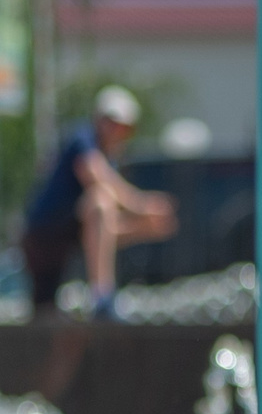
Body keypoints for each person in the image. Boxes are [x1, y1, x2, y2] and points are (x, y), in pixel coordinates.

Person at [20, 84, 177, 319]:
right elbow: (95, 176)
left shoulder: (109, 157)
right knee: (101, 200)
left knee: (54, 325)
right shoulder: (82, 138)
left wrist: (144, 228)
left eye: (123, 127)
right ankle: (102, 294)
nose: (117, 131)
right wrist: (143, 205)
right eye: (112, 122)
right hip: (46, 236)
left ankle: (102, 300)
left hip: (69, 242)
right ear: (98, 119)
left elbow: (103, 231)